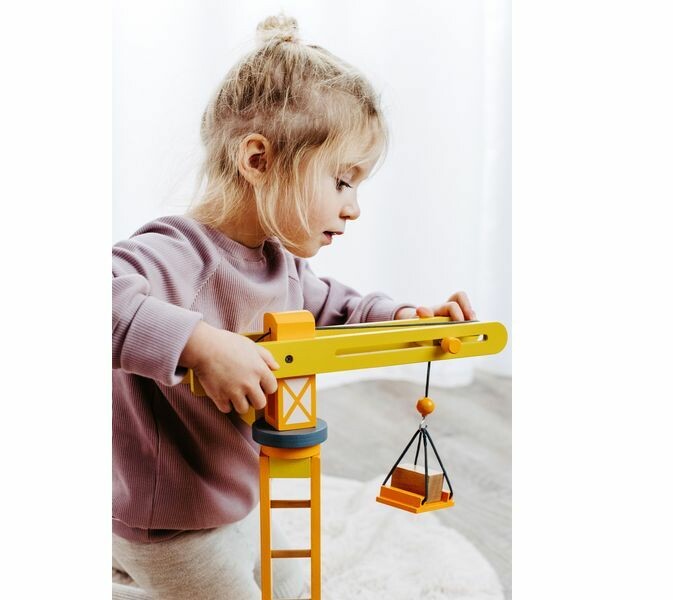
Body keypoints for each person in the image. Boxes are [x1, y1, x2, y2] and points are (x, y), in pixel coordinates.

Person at [112, 14, 476, 600]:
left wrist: (403, 318)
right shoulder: (176, 254)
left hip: (233, 495)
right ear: (257, 160)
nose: (353, 208)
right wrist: (200, 345)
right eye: (341, 181)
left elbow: (334, 306)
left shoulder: (276, 262)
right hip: (169, 524)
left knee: (289, 584)